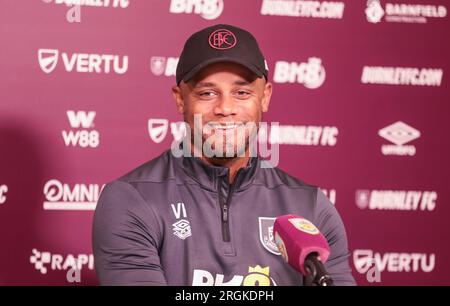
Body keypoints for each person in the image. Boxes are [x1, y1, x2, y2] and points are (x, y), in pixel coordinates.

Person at [93, 24, 356, 286]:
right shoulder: (131, 199)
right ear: (180, 100)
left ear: (264, 98)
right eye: (207, 93)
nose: (225, 108)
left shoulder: (310, 208)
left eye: (242, 93)